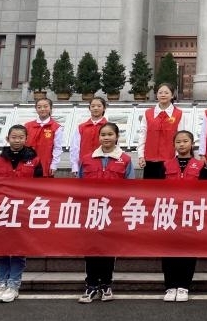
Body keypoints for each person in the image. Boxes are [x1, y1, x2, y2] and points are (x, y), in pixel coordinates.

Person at [77, 122, 134, 303]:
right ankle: (91, 285)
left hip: (113, 212)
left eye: (110, 134)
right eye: (103, 134)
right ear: (99, 137)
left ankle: (106, 284)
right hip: (91, 211)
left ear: (117, 137)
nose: (106, 137)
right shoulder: (87, 159)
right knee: (91, 248)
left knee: (109, 249)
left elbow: (130, 187)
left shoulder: (125, 159)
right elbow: (79, 184)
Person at [0, 124, 43, 303]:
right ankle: (1, 283)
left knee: (18, 248)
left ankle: (13, 284)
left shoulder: (35, 160)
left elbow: (40, 186)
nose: (17, 140)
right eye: (14, 137)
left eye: (20, 137)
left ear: (26, 139)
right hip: (1, 210)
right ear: (7, 138)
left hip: (23, 211)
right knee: (1, 248)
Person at [162, 130, 202, 302]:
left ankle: (184, 286)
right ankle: (170, 286)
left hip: (191, 213)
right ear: (174, 145)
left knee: (188, 250)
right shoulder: (165, 165)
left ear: (192, 144)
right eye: (178, 142)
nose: (182, 144)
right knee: (168, 249)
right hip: (170, 212)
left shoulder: (200, 166)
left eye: (185, 141)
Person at [136, 83, 183, 179]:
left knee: (168, 187)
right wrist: (141, 155)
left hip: (170, 159)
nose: (163, 95)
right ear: (156, 95)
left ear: (172, 95)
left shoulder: (179, 114)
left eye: (166, 93)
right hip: (150, 159)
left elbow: (181, 137)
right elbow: (142, 135)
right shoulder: (148, 113)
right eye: (160, 92)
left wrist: (178, 157)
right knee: (150, 187)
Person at [69, 96, 109, 177]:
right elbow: (75, 147)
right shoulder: (81, 127)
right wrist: (74, 165)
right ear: (89, 108)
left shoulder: (109, 127)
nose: (95, 108)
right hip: (84, 165)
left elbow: (115, 146)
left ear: (104, 108)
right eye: (93, 106)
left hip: (104, 166)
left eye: (99, 106)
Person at [24, 97, 64, 177]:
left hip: (46, 163)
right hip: (28, 162)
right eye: (39, 107)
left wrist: (54, 165)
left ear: (51, 108)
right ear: (36, 109)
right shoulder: (28, 126)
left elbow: (57, 148)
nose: (42, 109)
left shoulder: (56, 127)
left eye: (45, 106)